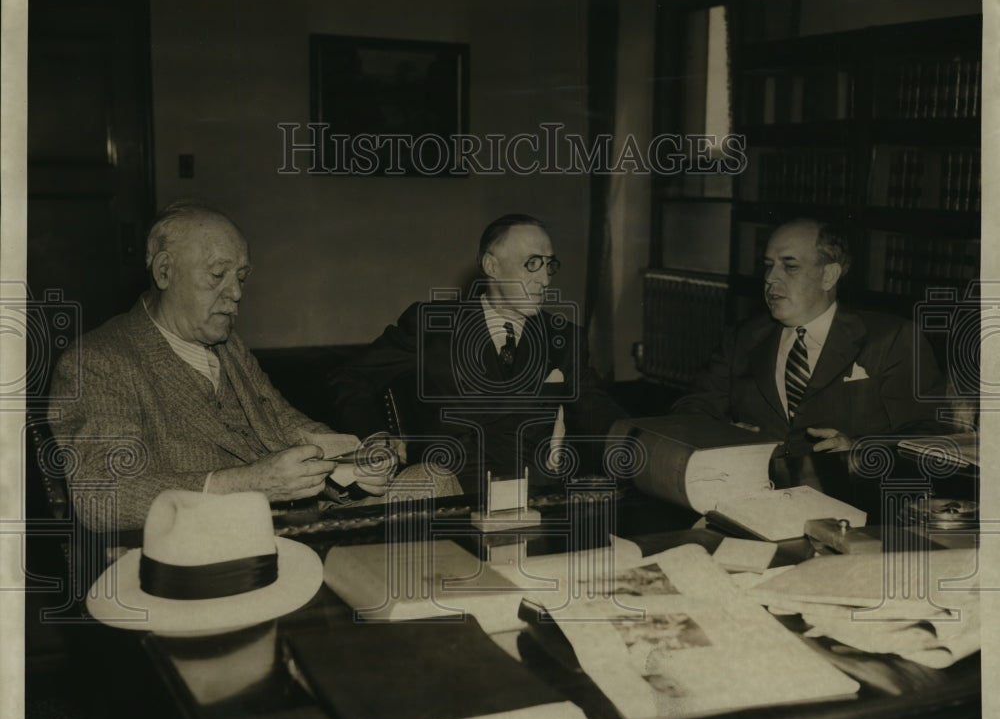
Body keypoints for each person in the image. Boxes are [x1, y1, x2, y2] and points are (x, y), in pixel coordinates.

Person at [47, 201, 402, 532]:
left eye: (241, 277)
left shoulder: (228, 346)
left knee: (431, 482)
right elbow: (103, 495)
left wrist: (353, 461)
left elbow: (287, 423)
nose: (236, 293)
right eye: (218, 275)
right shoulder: (98, 360)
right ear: (165, 271)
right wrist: (249, 484)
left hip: (288, 529)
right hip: (193, 550)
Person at [328, 213, 626, 494]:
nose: (546, 280)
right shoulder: (431, 325)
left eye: (549, 265)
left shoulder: (564, 336)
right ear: (492, 266)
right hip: (448, 498)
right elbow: (351, 377)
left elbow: (595, 407)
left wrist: (645, 440)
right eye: (532, 264)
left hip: (535, 500)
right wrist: (375, 439)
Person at [671, 218, 947, 490]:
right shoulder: (744, 337)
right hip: (752, 498)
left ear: (829, 275)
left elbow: (930, 431)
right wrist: (725, 435)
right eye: (768, 266)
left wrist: (860, 448)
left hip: (855, 502)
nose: (769, 279)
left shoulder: (892, 338)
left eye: (789, 266)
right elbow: (691, 410)